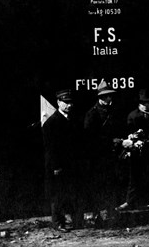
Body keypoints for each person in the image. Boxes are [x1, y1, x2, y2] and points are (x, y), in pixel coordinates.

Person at [116, 88, 149, 211]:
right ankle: (131, 202)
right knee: (135, 178)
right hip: (138, 152)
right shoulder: (133, 116)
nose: (147, 105)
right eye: (144, 103)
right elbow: (130, 135)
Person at [83, 80, 123, 225]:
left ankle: (110, 212)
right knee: (97, 186)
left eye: (110, 96)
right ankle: (95, 215)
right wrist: (112, 141)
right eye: (106, 96)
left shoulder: (112, 111)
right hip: (97, 158)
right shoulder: (92, 114)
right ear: (100, 97)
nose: (109, 98)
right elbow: (90, 138)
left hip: (111, 156)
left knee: (111, 185)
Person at [42, 89, 83, 231]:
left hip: (72, 165)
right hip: (58, 166)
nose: (69, 105)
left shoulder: (74, 120)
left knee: (73, 192)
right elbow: (51, 149)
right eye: (66, 103)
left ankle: (77, 220)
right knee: (58, 195)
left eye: (71, 103)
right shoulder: (51, 123)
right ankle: (58, 223)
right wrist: (56, 167)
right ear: (59, 102)